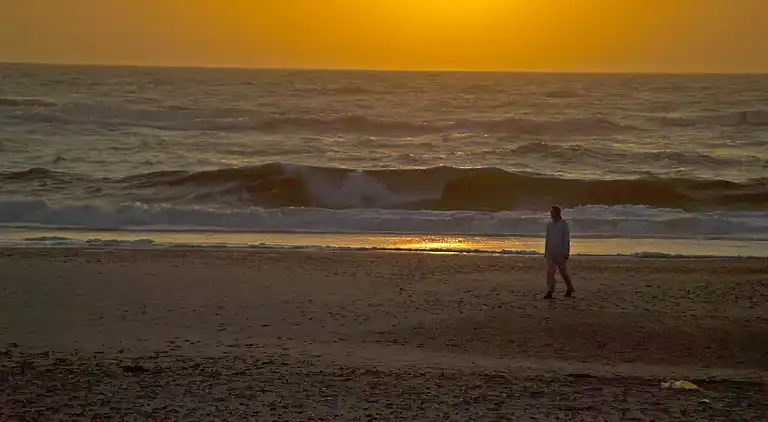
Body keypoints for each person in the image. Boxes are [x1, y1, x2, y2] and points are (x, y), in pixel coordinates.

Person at [544, 205, 574, 299]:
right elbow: (547, 239)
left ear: (557, 213)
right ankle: (550, 290)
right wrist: (546, 251)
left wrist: (566, 252)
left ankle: (569, 287)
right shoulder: (549, 225)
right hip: (550, 251)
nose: (551, 214)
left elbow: (566, 239)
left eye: (552, 212)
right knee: (550, 271)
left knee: (562, 272)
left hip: (560, 252)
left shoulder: (564, 224)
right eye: (551, 212)